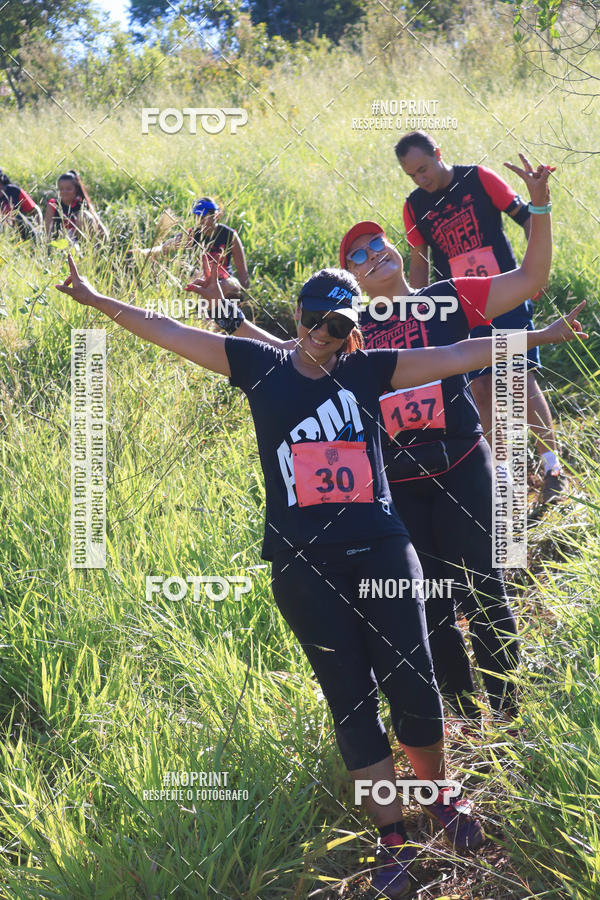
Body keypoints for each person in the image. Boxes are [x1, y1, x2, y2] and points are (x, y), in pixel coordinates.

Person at [57, 252, 585, 898]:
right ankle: (392, 836)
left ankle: (439, 794)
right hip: (302, 563)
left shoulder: (371, 369)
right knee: (351, 699)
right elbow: (166, 328)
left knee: (413, 683)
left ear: (355, 331)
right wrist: (95, 299)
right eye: (315, 321)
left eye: (338, 325)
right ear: (300, 318)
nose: (324, 335)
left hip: (384, 549)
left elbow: (460, 355)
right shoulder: (257, 365)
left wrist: (541, 335)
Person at [206, 155, 556, 725]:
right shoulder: (350, 333)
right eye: (357, 256)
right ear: (351, 280)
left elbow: (529, 279)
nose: (373, 256)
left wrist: (537, 206)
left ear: (397, 250)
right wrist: (229, 312)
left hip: (463, 464)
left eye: (379, 245)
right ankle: (465, 720)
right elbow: (289, 357)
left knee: (483, 588)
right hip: (397, 487)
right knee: (433, 605)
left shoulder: (445, 298)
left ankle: (510, 715)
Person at [395, 131, 565, 505]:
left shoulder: (480, 178)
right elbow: (419, 266)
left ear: (438, 153)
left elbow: (527, 218)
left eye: (424, 168)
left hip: (504, 293)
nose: (421, 179)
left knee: (517, 382)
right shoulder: (413, 207)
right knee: (482, 392)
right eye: (412, 175)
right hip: (461, 310)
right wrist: (416, 313)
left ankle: (552, 469)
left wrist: (535, 272)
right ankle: (505, 480)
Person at [135, 196, 250, 290]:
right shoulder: (192, 234)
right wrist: (141, 252)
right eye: (197, 217)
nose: (200, 221)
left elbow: (243, 272)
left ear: (215, 216)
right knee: (189, 274)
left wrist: (244, 296)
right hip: (202, 280)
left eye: (203, 217)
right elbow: (163, 248)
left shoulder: (229, 235)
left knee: (230, 284)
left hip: (224, 281)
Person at [44, 170, 108, 245]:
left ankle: (88, 249)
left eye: (68, 189)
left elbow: (103, 231)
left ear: (76, 190)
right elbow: (48, 233)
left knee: (85, 215)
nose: (64, 192)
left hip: (80, 244)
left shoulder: (82, 204)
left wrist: (105, 243)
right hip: (60, 244)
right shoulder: (53, 204)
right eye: (61, 189)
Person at [0, 169, 42, 239]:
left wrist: (39, 229)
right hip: (3, 234)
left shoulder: (14, 191)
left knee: (18, 217)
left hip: (18, 232)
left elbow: (35, 210)